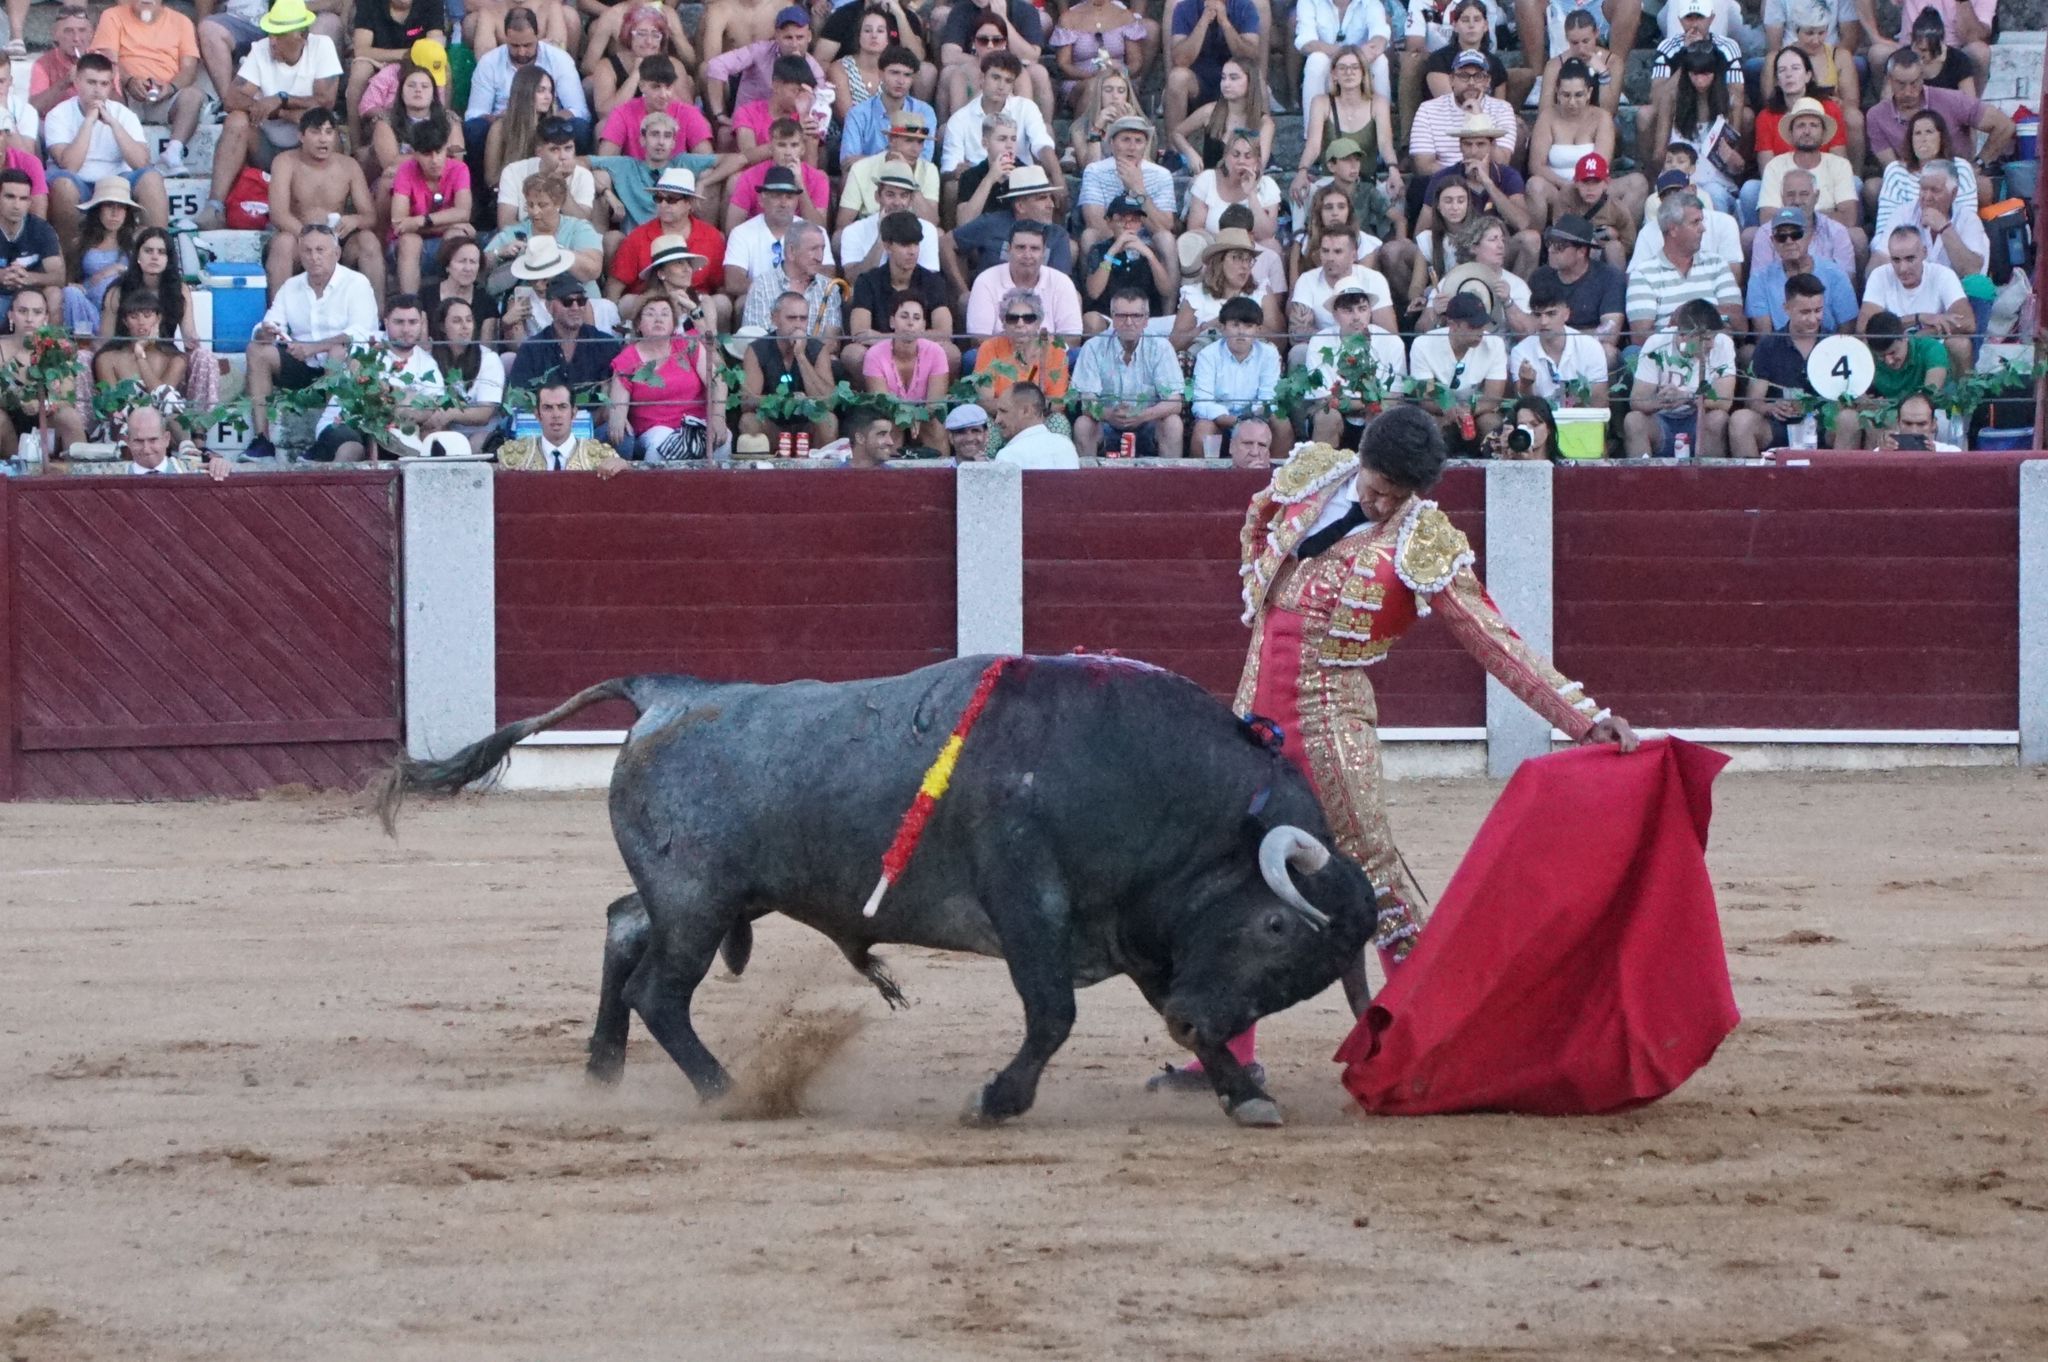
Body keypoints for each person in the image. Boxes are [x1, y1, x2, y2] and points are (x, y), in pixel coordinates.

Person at [1147, 404, 1637, 1089]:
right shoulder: (1313, 476)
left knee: (1375, 882)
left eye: (1395, 497)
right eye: (1374, 487)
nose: (1378, 505)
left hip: (1330, 727)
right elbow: (1258, 530)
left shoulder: (1422, 540)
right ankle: (1227, 1054)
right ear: (1361, 458)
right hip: (1252, 720)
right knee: (1239, 881)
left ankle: (1437, 1040)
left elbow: (1494, 640)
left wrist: (1582, 717)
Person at [243, 224, 380, 459]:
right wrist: (265, 333)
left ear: (335, 254)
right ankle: (262, 441)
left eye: (320, 250)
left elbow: (360, 332)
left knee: (337, 352)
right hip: (303, 365)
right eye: (307, 251)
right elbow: (272, 322)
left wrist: (315, 347)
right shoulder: (291, 286)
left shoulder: (356, 283)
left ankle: (325, 440)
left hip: (345, 370)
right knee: (257, 350)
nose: (314, 257)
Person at [204, 0, 339, 233]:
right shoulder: (262, 48)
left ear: (301, 36)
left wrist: (281, 98)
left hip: (304, 148)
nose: (273, 40)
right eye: (271, 33)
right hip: (266, 146)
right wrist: (284, 111)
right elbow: (232, 98)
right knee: (236, 119)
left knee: (322, 125)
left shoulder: (322, 46)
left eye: (280, 34)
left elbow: (325, 101)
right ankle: (214, 207)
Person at [44, 52, 168, 255]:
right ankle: (70, 264)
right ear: (77, 82)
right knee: (63, 185)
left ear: (112, 85)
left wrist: (113, 123)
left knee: (152, 178)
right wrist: (90, 121)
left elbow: (141, 163)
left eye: (104, 84)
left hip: (117, 180)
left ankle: (160, 255)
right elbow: (70, 166)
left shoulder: (123, 115)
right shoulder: (58, 114)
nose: (97, 90)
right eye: (91, 82)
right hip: (78, 181)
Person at [264, 108, 382, 299]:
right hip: (298, 238)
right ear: (301, 136)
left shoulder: (349, 165)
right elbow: (278, 214)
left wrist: (354, 220)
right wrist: (310, 237)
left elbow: (370, 216)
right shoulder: (285, 162)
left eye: (329, 132)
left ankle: (377, 319)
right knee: (283, 243)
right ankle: (278, 319)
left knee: (368, 240)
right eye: (315, 132)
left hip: (337, 241)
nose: (323, 139)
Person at [1732, 271, 1840, 457]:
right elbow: (1754, 401)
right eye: (1805, 312)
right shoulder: (1769, 345)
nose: (1813, 319)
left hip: (1824, 425)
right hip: (1779, 426)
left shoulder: (1836, 344)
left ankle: (1843, 482)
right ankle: (1751, 485)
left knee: (1848, 420)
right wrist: (1772, 407)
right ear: (1786, 308)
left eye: (1818, 310)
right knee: (1741, 420)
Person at [1069, 288, 1185, 459]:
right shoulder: (1093, 347)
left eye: (1136, 316)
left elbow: (1175, 402)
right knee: (1083, 425)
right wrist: (1109, 414)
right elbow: (1087, 403)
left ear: (1146, 320)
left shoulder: (1161, 347)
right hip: (1107, 424)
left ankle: (1171, 483)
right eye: (1122, 316)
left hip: (1148, 423)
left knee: (1173, 424)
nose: (1129, 322)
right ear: (1113, 317)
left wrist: (1143, 415)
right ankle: (1088, 484)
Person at [91, 0, 205, 174]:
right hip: (125, 94)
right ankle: (118, 159)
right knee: (108, 93)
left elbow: (189, 69)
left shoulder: (181, 22)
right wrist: (128, 81)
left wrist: (170, 87)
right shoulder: (112, 16)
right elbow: (107, 61)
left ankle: (173, 152)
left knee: (193, 96)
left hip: (164, 96)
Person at [1526, 59, 1641, 231]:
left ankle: (1620, 239)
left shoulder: (1601, 117)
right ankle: (1542, 244)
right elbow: (1536, 165)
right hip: (1558, 189)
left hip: (1593, 187)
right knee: (1535, 185)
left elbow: (1602, 164)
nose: (1572, 102)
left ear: (1589, 93)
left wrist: (1584, 187)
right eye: (1566, 95)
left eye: (1578, 95)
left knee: (1638, 182)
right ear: (1557, 92)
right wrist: (1566, 186)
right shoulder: (1547, 117)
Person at [1866, 49, 2011, 180]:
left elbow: (2004, 126)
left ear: (1922, 77)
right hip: (1907, 179)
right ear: (1889, 80)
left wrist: (1979, 164)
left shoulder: (1952, 100)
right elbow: (1892, 166)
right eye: (1901, 84)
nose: (1908, 92)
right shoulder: (1876, 115)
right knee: (1873, 188)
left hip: (1955, 176)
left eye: (1914, 83)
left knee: (1983, 187)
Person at [605, 292, 717, 461]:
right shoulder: (627, 359)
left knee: (722, 438)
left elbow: (716, 381)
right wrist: (618, 417)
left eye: (665, 314)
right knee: (663, 443)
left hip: (696, 424)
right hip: (654, 430)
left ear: (673, 324)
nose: (658, 319)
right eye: (650, 314)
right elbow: (617, 405)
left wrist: (718, 418)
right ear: (638, 325)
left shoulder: (689, 345)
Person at [463, 8, 590, 154]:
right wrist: (508, 117)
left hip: (549, 125)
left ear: (538, 36)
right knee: (475, 129)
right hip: (505, 126)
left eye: (527, 45)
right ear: (506, 38)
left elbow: (579, 110)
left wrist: (544, 120)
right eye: (515, 46)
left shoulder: (559, 58)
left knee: (579, 127)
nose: (521, 52)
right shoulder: (489, 62)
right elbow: (474, 114)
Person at [1626, 190, 1742, 350]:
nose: (1703, 228)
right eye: (1695, 222)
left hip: (1714, 350)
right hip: (1666, 358)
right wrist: (1704, 322)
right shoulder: (1643, 273)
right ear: (1673, 229)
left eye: (1701, 221)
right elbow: (1640, 339)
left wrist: (1689, 313)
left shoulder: (1717, 264)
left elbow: (1740, 325)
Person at [1622, 298, 1736, 457]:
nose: (1712, 344)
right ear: (1683, 336)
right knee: (1633, 421)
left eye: (1714, 337)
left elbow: (1724, 401)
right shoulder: (1657, 343)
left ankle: (1710, 478)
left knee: (1718, 418)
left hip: (1699, 422)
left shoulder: (1723, 344)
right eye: (1706, 339)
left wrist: (1687, 397)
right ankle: (1642, 480)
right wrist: (1664, 400)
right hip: (1662, 422)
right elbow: (1637, 400)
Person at [845, 210, 954, 373]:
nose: (912, 252)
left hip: (922, 351)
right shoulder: (867, 281)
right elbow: (860, 334)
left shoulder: (933, 281)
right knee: (853, 353)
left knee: (951, 352)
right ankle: (869, 398)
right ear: (887, 245)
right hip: (879, 355)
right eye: (905, 245)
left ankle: (938, 398)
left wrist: (886, 338)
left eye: (916, 244)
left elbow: (945, 332)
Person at [1304, 279, 1407, 448]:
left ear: (1370, 311)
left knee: (1383, 415)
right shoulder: (1319, 341)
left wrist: (1357, 403)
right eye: (1348, 310)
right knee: (1327, 417)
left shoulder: (1391, 342)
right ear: (1335, 314)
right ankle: (1325, 473)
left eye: (1362, 309)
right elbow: (1323, 400)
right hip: (1338, 415)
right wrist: (1368, 402)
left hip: (1376, 414)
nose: (1356, 317)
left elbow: (1394, 397)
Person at [1859, 225, 1972, 376]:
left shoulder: (1942, 274)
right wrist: (1919, 318)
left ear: (1924, 253)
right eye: (1896, 260)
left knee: (1960, 344)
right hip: (1890, 350)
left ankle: (1961, 397)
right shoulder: (1879, 275)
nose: (1902, 268)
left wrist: (1919, 335)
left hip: (1932, 348)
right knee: (1862, 345)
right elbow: (1864, 329)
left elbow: (1968, 322)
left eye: (1910, 259)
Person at [388, 110, 474, 296]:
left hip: (439, 237)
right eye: (427, 154)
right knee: (410, 241)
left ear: (446, 149)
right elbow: (399, 223)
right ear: (415, 153)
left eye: (439, 151)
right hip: (406, 245)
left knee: (457, 235)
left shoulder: (460, 169)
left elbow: (464, 212)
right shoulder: (405, 171)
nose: (435, 160)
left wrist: (420, 221)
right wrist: (444, 221)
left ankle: (454, 304)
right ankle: (411, 306)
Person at [1409, 289, 1506, 453]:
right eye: (1473, 326)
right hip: (1441, 412)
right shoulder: (1423, 344)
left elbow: (1493, 398)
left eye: (1482, 325)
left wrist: (1468, 411)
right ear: (1453, 325)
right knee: (1431, 427)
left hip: (1478, 412)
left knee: (1493, 424)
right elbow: (1425, 398)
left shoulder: (1495, 344)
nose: (1480, 332)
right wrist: (1450, 409)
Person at [740, 290, 837, 447]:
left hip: (808, 423)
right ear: (775, 318)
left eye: (803, 318)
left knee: (829, 420)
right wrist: (787, 401)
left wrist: (801, 356)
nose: (798, 324)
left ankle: (822, 469)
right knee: (749, 421)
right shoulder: (757, 349)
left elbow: (828, 401)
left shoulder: (818, 349)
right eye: (791, 318)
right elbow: (747, 400)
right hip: (773, 423)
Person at [1871, 109, 1978, 252]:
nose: (1923, 138)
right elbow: (1885, 225)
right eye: (1917, 133)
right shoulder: (1895, 171)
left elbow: (1967, 218)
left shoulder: (1961, 168)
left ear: (1942, 137)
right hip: (1904, 247)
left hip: (1950, 241)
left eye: (1929, 132)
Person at [1189, 296, 1282, 458]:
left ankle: (1278, 479)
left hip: (1258, 418)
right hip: (1220, 421)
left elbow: (1269, 398)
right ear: (1223, 328)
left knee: (1282, 423)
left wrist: (1250, 420)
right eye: (1235, 325)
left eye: (1248, 326)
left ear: (1258, 330)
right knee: (1203, 428)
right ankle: (1201, 481)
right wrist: (1233, 420)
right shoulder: (1207, 355)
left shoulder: (1269, 354)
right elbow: (1201, 402)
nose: (1241, 332)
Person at [1526, 214, 1625, 362]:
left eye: (1559, 246)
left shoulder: (1609, 277)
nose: (1551, 250)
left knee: (1608, 352)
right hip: (1547, 347)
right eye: (1550, 243)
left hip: (1588, 349)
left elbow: (1610, 333)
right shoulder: (1540, 277)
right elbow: (1530, 323)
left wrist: (1560, 337)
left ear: (1581, 251)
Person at [964, 220, 1082, 343]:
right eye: (1020, 248)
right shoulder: (985, 280)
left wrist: (1034, 347)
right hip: (998, 357)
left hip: (1050, 356)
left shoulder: (1062, 282)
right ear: (1008, 250)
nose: (1027, 255)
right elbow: (980, 339)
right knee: (971, 357)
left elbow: (1072, 338)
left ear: (1044, 253)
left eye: (1034, 249)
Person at [505, 274, 623, 397]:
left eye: (581, 301)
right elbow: (519, 398)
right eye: (567, 302)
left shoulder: (606, 345)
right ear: (549, 306)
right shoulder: (531, 349)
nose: (576, 307)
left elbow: (616, 400)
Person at [1845, 308, 1948, 448]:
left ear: (1905, 337)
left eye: (1893, 353)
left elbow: (1927, 397)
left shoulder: (1931, 349)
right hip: (1882, 410)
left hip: (1920, 414)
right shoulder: (1864, 355)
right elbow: (1848, 391)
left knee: (1884, 425)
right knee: (1848, 418)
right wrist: (1861, 399)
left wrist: (1884, 408)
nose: (1889, 361)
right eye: (1881, 356)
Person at [1746, 206, 1857, 335]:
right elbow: (1763, 334)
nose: (1789, 241)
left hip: (1827, 347)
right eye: (1781, 236)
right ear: (1773, 241)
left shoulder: (1835, 273)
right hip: (1780, 347)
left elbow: (1847, 329)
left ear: (1809, 236)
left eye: (1796, 234)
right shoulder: (1760, 279)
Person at [0, 290, 84, 458]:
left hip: (47, 420)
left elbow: (67, 399)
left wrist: (43, 405)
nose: (29, 318)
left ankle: (81, 477)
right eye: (22, 311)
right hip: (6, 421)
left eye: (37, 312)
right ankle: (16, 474)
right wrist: (19, 401)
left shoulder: (58, 349)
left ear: (46, 318)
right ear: (11, 315)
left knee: (69, 416)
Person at [1075, 115, 1176, 252]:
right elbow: (1095, 222)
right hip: (1109, 241)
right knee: (1089, 236)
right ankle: (1093, 274)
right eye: (1126, 140)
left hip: (1147, 242)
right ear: (1112, 143)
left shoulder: (1161, 174)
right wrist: (1125, 241)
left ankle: (1169, 275)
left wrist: (1137, 189)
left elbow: (1164, 226)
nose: (1132, 147)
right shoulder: (1095, 170)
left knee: (1166, 238)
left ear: (1145, 145)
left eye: (1138, 141)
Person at [1174, 227, 1282, 350]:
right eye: (1237, 258)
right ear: (1219, 261)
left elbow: (1280, 342)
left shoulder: (1261, 292)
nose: (1245, 266)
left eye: (1248, 260)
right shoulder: (1195, 294)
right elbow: (1174, 344)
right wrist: (1207, 327)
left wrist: (1247, 325)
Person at [1080, 193, 1175, 333]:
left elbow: (1166, 290)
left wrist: (1150, 256)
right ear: (1109, 221)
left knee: (1175, 322)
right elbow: (1094, 292)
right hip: (1110, 317)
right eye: (1121, 220)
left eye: (1134, 220)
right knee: (1091, 320)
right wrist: (1112, 253)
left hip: (1145, 318)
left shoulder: (1149, 251)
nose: (1128, 225)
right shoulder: (1100, 250)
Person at [1872, 161, 1984, 277]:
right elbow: (1879, 262)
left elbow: (1972, 271)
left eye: (1935, 190)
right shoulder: (1903, 213)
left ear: (1954, 193)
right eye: (1923, 189)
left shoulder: (1968, 219)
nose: (1927, 197)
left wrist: (1945, 228)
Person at [1508, 277, 1608, 406]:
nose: (1544, 322)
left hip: (1582, 421)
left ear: (1566, 314)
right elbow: (1524, 407)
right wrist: (1526, 384)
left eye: (1551, 314)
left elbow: (1598, 403)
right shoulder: (1520, 352)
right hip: (1540, 422)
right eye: (1538, 315)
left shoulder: (1591, 347)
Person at [497, 377, 630, 474]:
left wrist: (624, 466)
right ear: (537, 415)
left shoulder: (601, 457)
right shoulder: (514, 457)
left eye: (562, 407)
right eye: (548, 408)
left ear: (573, 413)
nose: (556, 414)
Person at [739, 216, 842, 336]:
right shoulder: (762, 285)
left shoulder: (829, 288)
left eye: (822, 249)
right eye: (813, 249)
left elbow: (831, 343)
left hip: (817, 355)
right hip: (772, 355)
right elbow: (757, 340)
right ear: (791, 251)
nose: (819, 257)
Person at [427, 294, 506, 446]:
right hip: (442, 431)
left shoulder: (489, 359)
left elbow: (485, 414)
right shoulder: (428, 359)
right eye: (457, 321)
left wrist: (451, 414)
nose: (465, 326)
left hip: (482, 433)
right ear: (442, 326)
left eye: (469, 320)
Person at [1178, 55, 1276, 178]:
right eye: (1223, 78)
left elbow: (1260, 165)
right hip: (1210, 185)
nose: (1226, 84)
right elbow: (1177, 133)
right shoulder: (1210, 111)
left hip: (1244, 184)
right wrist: (1190, 153)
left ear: (1251, 82)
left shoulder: (1264, 123)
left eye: (1233, 78)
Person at [839, 46, 938, 165]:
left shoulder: (924, 112)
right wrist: (892, 159)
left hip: (910, 181)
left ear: (913, 79)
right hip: (867, 179)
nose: (901, 81)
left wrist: (875, 159)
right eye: (894, 73)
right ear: (880, 74)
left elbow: (923, 163)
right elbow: (848, 162)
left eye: (907, 75)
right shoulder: (858, 113)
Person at [840, 162, 940, 277]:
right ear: (877, 197)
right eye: (890, 195)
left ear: (911, 200)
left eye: (903, 196)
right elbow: (853, 279)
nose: (897, 203)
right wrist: (881, 237)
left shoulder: (927, 230)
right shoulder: (854, 231)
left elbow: (929, 281)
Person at [970, 288, 1070, 402]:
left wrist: (1030, 410)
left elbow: (1057, 402)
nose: (1020, 324)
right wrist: (1017, 409)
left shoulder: (1055, 350)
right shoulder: (990, 348)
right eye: (1012, 318)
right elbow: (985, 401)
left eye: (1028, 318)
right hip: (999, 414)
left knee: (1058, 419)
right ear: (1003, 323)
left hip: (1042, 415)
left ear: (1038, 323)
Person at [0, 168, 60, 329]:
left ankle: (47, 349)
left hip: (30, 300)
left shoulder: (41, 229)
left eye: (23, 198)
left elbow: (58, 276)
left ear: (29, 202)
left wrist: (27, 278)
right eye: (10, 197)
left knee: (54, 293)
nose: (16, 205)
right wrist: (2, 275)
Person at [121, 404, 230, 477]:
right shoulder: (114, 475)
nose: (146, 449)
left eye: (153, 440)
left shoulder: (191, 472)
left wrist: (221, 467)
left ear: (166, 439)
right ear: (128, 442)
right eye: (138, 441)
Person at [992, 380, 1079, 468]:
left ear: (1026, 411)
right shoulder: (1066, 446)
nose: (997, 420)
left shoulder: (1009, 456)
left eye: (1004, 411)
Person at [1485, 393, 1559, 460]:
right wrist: (1505, 455)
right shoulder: (1501, 460)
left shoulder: (1564, 467)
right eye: (1522, 425)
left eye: (1534, 424)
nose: (1528, 430)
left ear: (1548, 428)